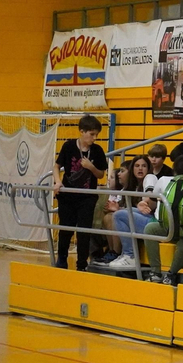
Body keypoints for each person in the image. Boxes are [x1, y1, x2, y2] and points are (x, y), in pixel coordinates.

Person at [54, 114, 107, 270]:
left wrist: (91, 167)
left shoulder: (97, 151)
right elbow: (56, 166)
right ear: (82, 131)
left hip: (87, 197)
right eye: (91, 134)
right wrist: (57, 182)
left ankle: (82, 263)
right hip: (68, 196)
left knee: (84, 231)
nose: (94, 138)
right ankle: (62, 258)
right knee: (66, 228)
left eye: (96, 135)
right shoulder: (69, 146)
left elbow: (101, 174)